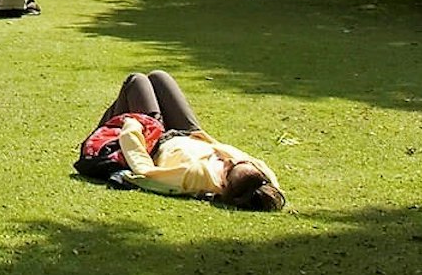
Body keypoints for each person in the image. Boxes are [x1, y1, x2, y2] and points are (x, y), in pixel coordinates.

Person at [82, 71, 285, 210]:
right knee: (159, 77)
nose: (229, 159)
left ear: (224, 184)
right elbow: (267, 185)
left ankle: (97, 143)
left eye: (227, 167)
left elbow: (145, 171)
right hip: (190, 134)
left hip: (159, 140)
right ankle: (103, 136)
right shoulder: (259, 178)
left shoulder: (193, 176)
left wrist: (132, 127)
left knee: (136, 82)